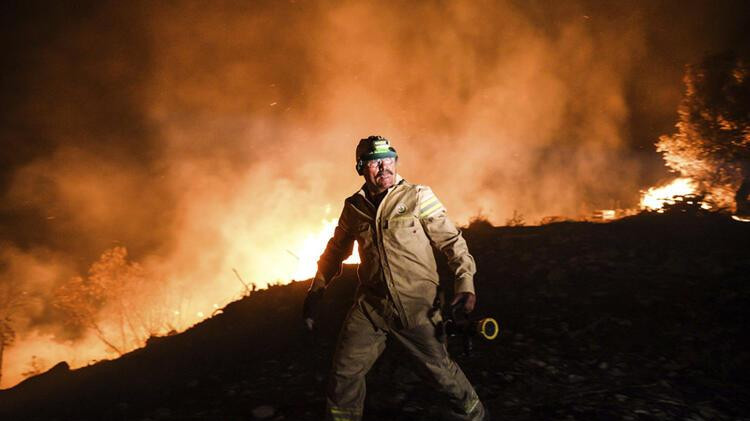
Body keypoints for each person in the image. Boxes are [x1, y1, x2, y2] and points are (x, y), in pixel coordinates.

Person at [303, 135, 487, 421]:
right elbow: (335, 250)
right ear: (361, 167)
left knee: (442, 374)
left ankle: (476, 417)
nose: (384, 167)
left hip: (417, 306)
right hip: (371, 308)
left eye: (388, 160)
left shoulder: (417, 196)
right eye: (375, 163)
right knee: (343, 375)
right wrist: (317, 289)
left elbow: (452, 242)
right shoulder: (353, 207)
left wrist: (465, 284)